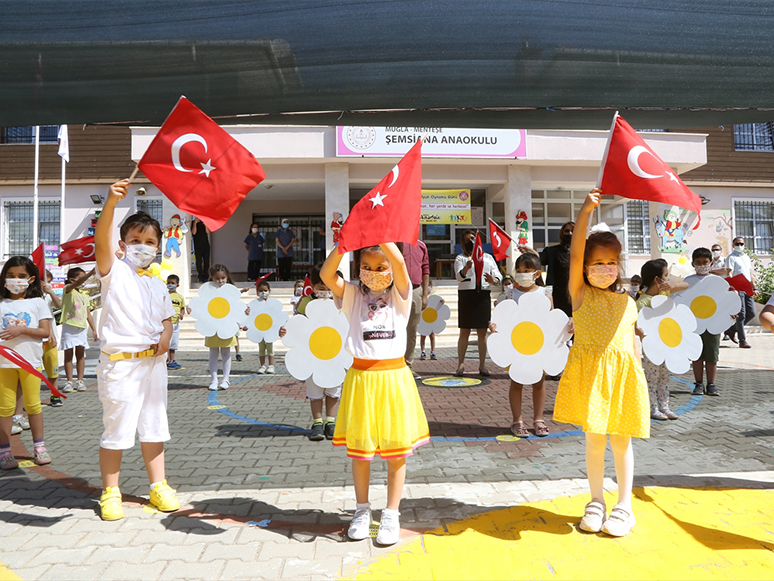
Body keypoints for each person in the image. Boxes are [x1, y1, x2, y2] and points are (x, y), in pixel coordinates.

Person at [553, 190, 649, 538]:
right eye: (598, 264)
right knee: (594, 441)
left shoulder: (628, 303)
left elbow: (633, 348)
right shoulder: (580, 294)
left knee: (621, 443)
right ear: (585, 267)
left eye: (612, 263)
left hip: (623, 381)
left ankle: (625, 505)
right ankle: (596, 501)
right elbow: (576, 247)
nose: (605, 270)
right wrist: (585, 211)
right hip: (591, 379)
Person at [321, 242, 429, 546]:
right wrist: (343, 244)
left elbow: (402, 267)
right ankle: (362, 510)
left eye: (381, 268)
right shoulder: (353, 294)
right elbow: (327, 274)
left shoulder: (401, 294)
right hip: (360, 379)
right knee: (361, 451)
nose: (373, 273)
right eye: (366, 267)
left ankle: (391, 513)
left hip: (393, 378)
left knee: (396, 451)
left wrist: (384, 236)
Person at [94, 180, 178, 521]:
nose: (142, 247)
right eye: (135, 241)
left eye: (149, 242)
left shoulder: (157, 283)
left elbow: (166, 319)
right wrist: (111, 205)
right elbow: (101, 239)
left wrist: (167, 334)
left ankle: (158, 486)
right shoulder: (113, 273)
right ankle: (110, 492)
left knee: (154, 427)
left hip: (153, 366)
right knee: (117, 429)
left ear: (157, 247)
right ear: (122, 245)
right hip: (120, 365)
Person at [490, 252, 553, 437]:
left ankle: (538, 419)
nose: (522, 274)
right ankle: (517, 420)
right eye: (519, 270)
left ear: (537, 274)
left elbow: (551, 317)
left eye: (527, 270)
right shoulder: (510, 293)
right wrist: (494, 327)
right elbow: (503, 317)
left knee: (539, 382)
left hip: (538, 345)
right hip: (516, 345)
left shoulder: (545, 292)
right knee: (516, 382)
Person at [0, 257, 54, 470]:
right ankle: (4, 451)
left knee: (33, 406)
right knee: (5, 408)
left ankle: (39, 447)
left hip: (30, 362)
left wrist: (21, 330)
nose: (16, 280)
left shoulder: (38, 303)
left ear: (31, 279)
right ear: (3, 278)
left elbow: (45, 332)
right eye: (11, 275)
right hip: (3, 364)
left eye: (21, 276)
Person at [281, 265, 340, 441]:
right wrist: (285, 331)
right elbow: (297, 325)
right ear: (313, 286)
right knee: (315, 390)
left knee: (333, 388)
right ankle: (317, 423)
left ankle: (331, 422)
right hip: (312, 355)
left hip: (334, 354)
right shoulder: (306, 302)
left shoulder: (340, 301)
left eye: (329, 288)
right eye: (321, 289)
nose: (325, 292)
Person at [635, 259, 688, 419]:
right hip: (652, 347)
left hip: (668, 345)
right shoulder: (642, 302)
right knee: (652, 379)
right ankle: (653, 408)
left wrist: (671, 286)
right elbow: (636, 325)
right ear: (656, 279)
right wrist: (637, 330)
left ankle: (664, 407)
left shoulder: (664, 294)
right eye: (666, 276)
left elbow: (686, 285)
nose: (668, 279)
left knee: (665, 377)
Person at [677, 248, 727, 397]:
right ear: (692, 264)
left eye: (705, 262)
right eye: (698, 262)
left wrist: (730, 315)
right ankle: (698, 383)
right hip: (694, 325)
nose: (701, 265)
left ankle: (711, 384)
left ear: (711, 263)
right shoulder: (688, 282)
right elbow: (681, 300)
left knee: (712, 355)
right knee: (696, 355)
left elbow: (724, 301)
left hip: (713, 323)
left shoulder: (717, 281)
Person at [454, 230, 501, 377]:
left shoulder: (487, 258)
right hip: (467, 295)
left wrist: (494, 280)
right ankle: (460, 365)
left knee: (482, 332)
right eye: (467, 240)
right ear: (463, 243)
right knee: (464, 331)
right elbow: (458, 277)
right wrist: (466, 268)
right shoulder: (460, 258)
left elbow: (498, 274)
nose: (471, 242)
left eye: (473, 238)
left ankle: (482, 365)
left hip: (483, 296)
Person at [59, 267, 99, 393]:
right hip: (69, 326)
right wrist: (91, 273)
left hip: (81, 327)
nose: (84, 280)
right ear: (72, 279)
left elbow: (88, 314)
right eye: (82, 277)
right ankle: (69, 381)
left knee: (81, 355)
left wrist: (93, 329)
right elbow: (77, 283)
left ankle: (80, 380)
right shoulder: (68, 290)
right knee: (68, 355)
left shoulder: (84, 296)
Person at [205, 264, 242, 390]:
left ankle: (226, 379)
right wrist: (191, 309)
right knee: (213, 352)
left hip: (227, 326)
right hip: (212, 326)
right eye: (217, 278)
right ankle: (214, 380)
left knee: (226, 352)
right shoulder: (207, 290)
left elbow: (237, 307)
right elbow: (202, 306)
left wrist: (242, 317)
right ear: (211, 277)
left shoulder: (232, 290)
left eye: (223, 278)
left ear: (227, 277)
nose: (220, 281)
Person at [531, 221, 574, 318]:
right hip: (558, 296)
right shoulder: (553, 251)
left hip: (578, 295)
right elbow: (539, 258)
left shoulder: (584, 252)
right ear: (562, 233)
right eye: (567, 231)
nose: (570, 233)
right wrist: (530, 251)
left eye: (573, 231)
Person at [403, 240, 430, 372]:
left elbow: (426, 270)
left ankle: (408, 364)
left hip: (416, 291)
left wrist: (425, 295)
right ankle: (395, 364)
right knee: (396, 329)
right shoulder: (395, 243)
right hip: (398, 291)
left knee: (412, 330)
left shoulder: (421, 245)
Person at [725, 236, 755, 348]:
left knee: (751, 313)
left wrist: (754, 287)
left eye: (741, 244)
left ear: (745, 245)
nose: (739, 246)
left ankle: (731, 330)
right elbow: (730, 273)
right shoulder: (731, 257)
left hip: (748, 288)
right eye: (737, 244)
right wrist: (733, 288)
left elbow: (750, 274)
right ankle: (742, 341)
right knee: (741, 315)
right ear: (733, 245)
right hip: (738, 288)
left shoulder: (747, 258)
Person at [42, 270, 62, 407]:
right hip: (35, 338)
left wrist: (50, 292)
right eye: (43, 279)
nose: (45, 282)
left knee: (52, 368)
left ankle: (55, 395)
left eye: (48, 280)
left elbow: (58, 305)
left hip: (50, 339)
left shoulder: (47, 294)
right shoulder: (27, 296)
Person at [255, 281, 276, 374]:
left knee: (270, 348)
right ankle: (262, 365)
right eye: (261, 291)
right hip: (259, 329)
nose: (263, 293)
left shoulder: (272, 303)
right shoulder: (255, 304)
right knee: (261, 348)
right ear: (257, 292)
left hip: (269, 329)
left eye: (265, 290)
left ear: (269, 291)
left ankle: (271, 365)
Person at [166, 274, 185, 370]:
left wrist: (182, 314)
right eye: (168, 283)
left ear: (177, 285)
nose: (170, 285)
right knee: (167, 342)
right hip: (168, 322)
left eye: (172, 283)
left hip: (176, 323)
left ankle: (172, 360)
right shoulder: (165, 294)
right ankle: (167, 360)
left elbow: (182, 308)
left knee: (173, 343)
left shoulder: (180, 297)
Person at [420, 279, 438, 361]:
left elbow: (438, 304)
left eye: (429, 286)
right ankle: (423, 351)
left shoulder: (434, 296)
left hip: (431, 319)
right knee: (423, 335)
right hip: (423, 320)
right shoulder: (421, 297)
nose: (428, 288)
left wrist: (441, 302)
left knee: (432, 335)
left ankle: (433, 351)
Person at [191, 216, 211, 283]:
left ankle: (206, 276)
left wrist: (206, 225)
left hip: (205, 245)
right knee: (199, 262)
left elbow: (208, 232)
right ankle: (200, 276)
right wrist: (195, 223)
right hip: (197, 246)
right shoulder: (193, 222)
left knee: (206, 262)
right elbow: (193, 232)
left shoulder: (205, 222)